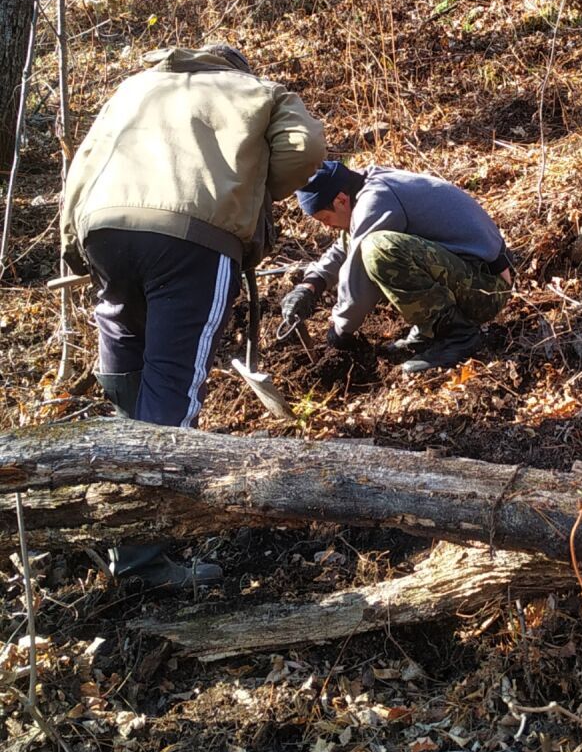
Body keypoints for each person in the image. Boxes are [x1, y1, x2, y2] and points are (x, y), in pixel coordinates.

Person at [60, 43, 325, 591]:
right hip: (193, 243)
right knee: (172, 386)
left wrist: (73, 242)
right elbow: (305, 151)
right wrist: (244, 191)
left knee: (124, 356)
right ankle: (141, 560)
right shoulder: (261, 92)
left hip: (105, 228)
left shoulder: (134, 88)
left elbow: (83, 165)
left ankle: (117, 500)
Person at [282, 160, 513, 372]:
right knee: (373, 246)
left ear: (341, 200)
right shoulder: (363, 188)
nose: (327, 227)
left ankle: (458, 336)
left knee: (378, 250)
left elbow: (358, 281)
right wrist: (310, 286)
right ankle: (432, 330)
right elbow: (346, 245)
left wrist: (339, 332)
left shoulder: (376, 200)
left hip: (487, 290)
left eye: (325, 219)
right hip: (477, 277)